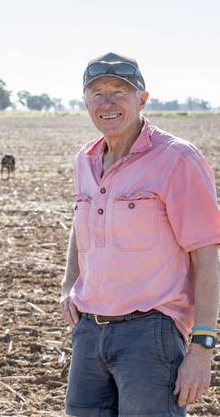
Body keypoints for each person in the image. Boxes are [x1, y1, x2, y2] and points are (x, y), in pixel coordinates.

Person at [60, 52, 220, 416]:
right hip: (89, 335)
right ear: (85, 101)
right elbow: (80, 222)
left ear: (142, 99)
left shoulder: (176, 159)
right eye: (97, 93)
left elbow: (207, 254)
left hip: (150, 336)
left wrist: (202, 348)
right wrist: (69, 284)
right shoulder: (85, 160)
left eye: (119, 91)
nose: (108, 102)